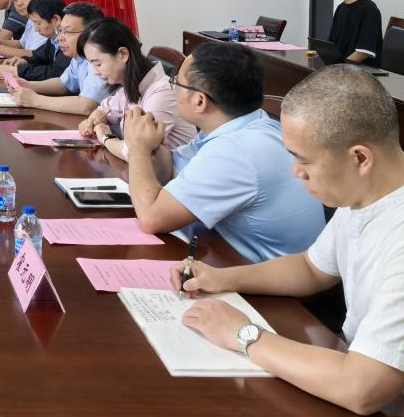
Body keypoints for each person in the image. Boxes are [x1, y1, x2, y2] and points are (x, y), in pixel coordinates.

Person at [173, 65, 404, 416]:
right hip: (373, 379)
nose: (295, 172)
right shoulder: (369, 190)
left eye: (303, 159)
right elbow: (312, 268)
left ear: (360, 158)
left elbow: (362, 388)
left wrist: (244, 335)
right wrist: (221, 278)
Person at [120, 42, 324, 262]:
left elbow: (151, 218)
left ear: (199, 101)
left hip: (267, 277)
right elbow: (170, 167)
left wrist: (138, 148)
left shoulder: (236, 151)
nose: (173, 89)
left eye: (177, 82)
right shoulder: (247, 123)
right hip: (233, 257)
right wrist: (149, 144)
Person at [76, 17, 195, 158]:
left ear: (123, 54)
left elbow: (137, 152)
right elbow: (104, 109)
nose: (95, 71)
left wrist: (105, 137)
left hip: (174, 170)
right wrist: (92, 122)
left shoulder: (162, 92)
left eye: (98, 64)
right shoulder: (129, 85)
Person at [10, 2, 109, 115]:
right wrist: (29, 85)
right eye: (60, 30)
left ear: (92, 33)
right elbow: (64, 84)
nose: (60, 37)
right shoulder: (79, 57)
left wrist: (34, 100)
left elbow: (87, 106)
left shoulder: (99, 59)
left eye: (68, 32)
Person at [0, 0, 72, 81]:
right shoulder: (53, 39)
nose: (36, 29)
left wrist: (17, 71)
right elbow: (37, 56)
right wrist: (23, 61)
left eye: (38, 23)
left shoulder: (68, 41)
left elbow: (55, 73)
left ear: (55, 20)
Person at [327, 0, 383, 66]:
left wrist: (339, 68)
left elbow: (363, 52)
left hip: (361, 72)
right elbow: (332, 44)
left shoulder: (369, 10)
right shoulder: (340, 8)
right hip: (342, 68)